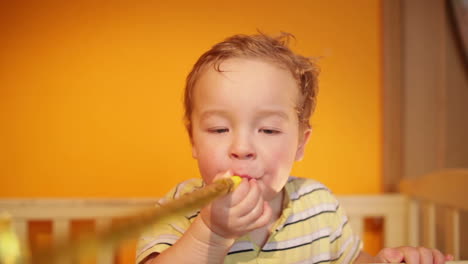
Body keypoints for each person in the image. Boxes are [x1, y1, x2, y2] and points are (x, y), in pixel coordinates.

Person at [136, 33, 452, 264]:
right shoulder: (178, 209)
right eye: (219, 129)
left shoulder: (318, 206)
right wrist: (211, 232)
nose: (242, 148)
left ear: (300, 144)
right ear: (193, 140)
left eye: (269, 130)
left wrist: (390, 261)